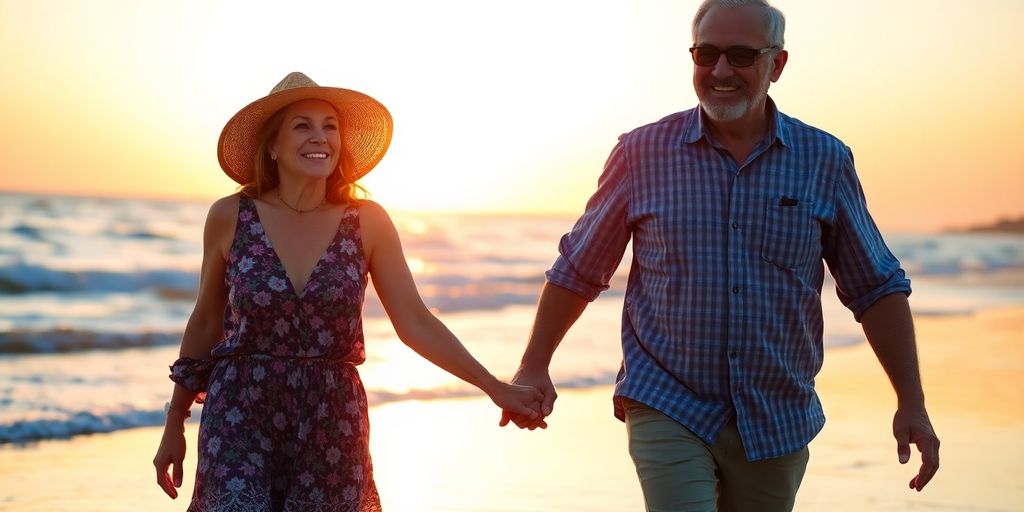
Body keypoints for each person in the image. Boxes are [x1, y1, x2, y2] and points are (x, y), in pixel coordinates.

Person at [499, 1, 940, 510]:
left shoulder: (824, 160)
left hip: (777, 415)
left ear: (777, 64)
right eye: (706, 55)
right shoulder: (641, 154)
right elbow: (580, 267)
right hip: (667, 400)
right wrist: (533, 366)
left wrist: (912, 402)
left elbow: (875, 287)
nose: (721, 71)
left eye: (741, 56)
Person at [152, 71, 543, 511]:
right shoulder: (230, 216)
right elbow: (206, 321)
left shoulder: (367, 221)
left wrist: (494, 386)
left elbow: (415, 322)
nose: (320, 137)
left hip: (332, 420)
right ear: (272, 145)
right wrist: (175, 421)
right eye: (302, 125)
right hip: (239, 415)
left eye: (330, 126)